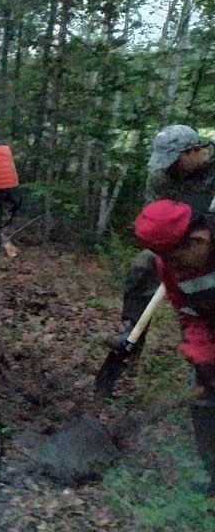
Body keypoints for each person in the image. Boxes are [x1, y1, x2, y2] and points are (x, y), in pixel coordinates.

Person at [132, 199, 215, 495]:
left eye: (176, 259)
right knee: (204, 403)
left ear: (199, 240)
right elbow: (189, 314)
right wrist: (203, 360)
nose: (172, 269)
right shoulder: (168, 265)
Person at [111, 125, 215, 346]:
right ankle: (132, 332)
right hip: (181, 239)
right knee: (143, 265)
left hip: (208, 239)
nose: (170, 169)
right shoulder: (161, 177)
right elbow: (156, 216)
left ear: (194, 150)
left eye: (175, 161)